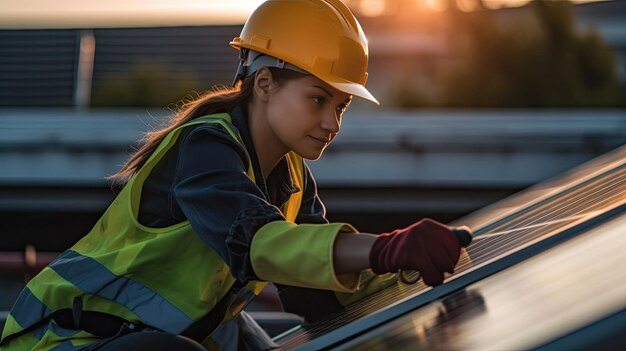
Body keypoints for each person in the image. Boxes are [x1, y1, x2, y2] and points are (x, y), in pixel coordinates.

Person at [0, 1, 470, 350]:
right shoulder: (204, 148)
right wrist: (386, 247)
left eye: (341, 106)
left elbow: (313, 287)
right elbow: (258, 242)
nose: (333, 122)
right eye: (317, 99)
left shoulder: (291, 178)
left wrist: (413, 271)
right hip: (62, 341)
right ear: (264, 85)